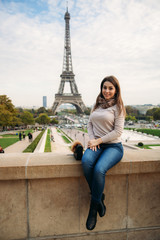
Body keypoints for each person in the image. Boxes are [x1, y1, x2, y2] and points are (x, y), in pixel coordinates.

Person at [82, 76, 126, 231]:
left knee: (99, 170)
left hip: (113, 147)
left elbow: (118, 132)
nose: (107, 91)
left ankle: (93, 209)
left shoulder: (119, 107)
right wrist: (93, 139)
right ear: (101, 88)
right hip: (97, 145)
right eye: (104, 87)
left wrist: (98, 141)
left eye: (110, 88)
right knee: (86, 162)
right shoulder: (97, 104)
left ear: (116, 90)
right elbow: (89, 123)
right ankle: (99, 197)